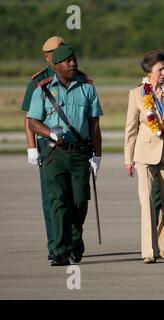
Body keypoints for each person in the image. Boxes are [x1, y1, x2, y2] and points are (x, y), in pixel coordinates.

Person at [27, 45, 103, 266]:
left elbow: (95, 126)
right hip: (53, 152)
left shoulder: (87, 89)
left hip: (80, 152)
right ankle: (61, 250)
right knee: (58, 201)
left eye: (74, 60)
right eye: (68, 61)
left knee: (79, 201)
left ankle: (75, 238)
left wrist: (97, 156)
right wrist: (48, 132)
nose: (73, 64)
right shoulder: (42, 89)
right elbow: (32, 121)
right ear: (56, 66)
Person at [124, 50, 164, 264]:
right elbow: (131, 129)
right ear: (150, 70)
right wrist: (128, 158)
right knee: (147, 199)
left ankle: (162, 246)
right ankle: (148, 250)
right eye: (161, 69)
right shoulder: (136, 94)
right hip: (143, 153)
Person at [21, 36, 66, 261]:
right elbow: (29, 118)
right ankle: (55, 245)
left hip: (73, 146)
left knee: (74, 198)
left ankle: (72, 241)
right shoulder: (38, 81)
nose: (63, 58)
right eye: (57, 54)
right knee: (51, 198)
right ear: (48, 57)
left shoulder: (78, 78)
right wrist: (31, 148)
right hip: (47, 146)